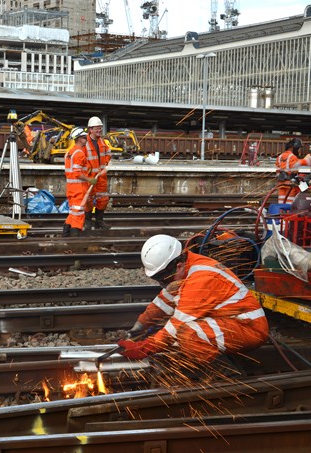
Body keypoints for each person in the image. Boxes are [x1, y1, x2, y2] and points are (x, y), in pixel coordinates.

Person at [118, 234, 268, 365]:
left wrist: (145, 348)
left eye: (164, 278)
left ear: (179, 265)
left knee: (187, 333)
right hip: (227, 321)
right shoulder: (186, 268)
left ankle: (222, 371)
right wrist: (139, 327)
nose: (163, 283)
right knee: (170, 335)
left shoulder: (202, 279)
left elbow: (177, 324)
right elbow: (163, 302)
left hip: (248, 328)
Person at [62, 127, 96, 237]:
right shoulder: (79, 154)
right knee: (79, 213)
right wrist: (89, 179)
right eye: (84, 137)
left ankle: (66, 233)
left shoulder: (69, 153)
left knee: (73, 211)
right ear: (79, 139)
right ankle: (74, 236)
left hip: (71, 187)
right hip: (79, 188)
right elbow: (77, 173)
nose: (86, 139)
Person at [84, 116, 112, 230]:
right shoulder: (84, 142)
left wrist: (105, 165)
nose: (99, 130)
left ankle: (99, 221)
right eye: (97, 128)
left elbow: (108, 154)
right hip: (90, 177)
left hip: (101, 177)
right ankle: (88, 222)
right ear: (90, 129)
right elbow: (81, 158)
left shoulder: (103, 142)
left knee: (103, 199)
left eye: (100, 128)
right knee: (88, 200)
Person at [275, 138, 311, 204]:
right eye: (299, 148)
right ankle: (288, 213)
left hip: (281, 183)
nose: (299, 150)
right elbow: (295, 165)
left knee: (281, 201)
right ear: (295, 147)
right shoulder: (292, 157)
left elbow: (278, 170)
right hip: (290, 184)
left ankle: (280, 213)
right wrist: (306, 160)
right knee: (290, 202)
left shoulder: (280, 156)